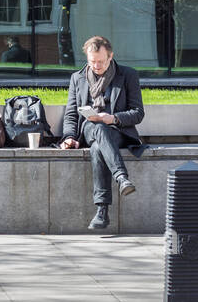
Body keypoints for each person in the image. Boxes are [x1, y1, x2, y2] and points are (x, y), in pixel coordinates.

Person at [59, 35, 145, 231]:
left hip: (118, 131)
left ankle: (102, 211)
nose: (96, 66)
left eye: (100, 61)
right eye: (92, 62)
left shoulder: (127, 75)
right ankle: (121, 177)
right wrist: (69, 137)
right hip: (88, 128)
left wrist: (113, 118)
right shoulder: (77, 78)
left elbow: (138, 113)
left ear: (110, 56)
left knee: (98, 148)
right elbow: (71, 114)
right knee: (97, 129)